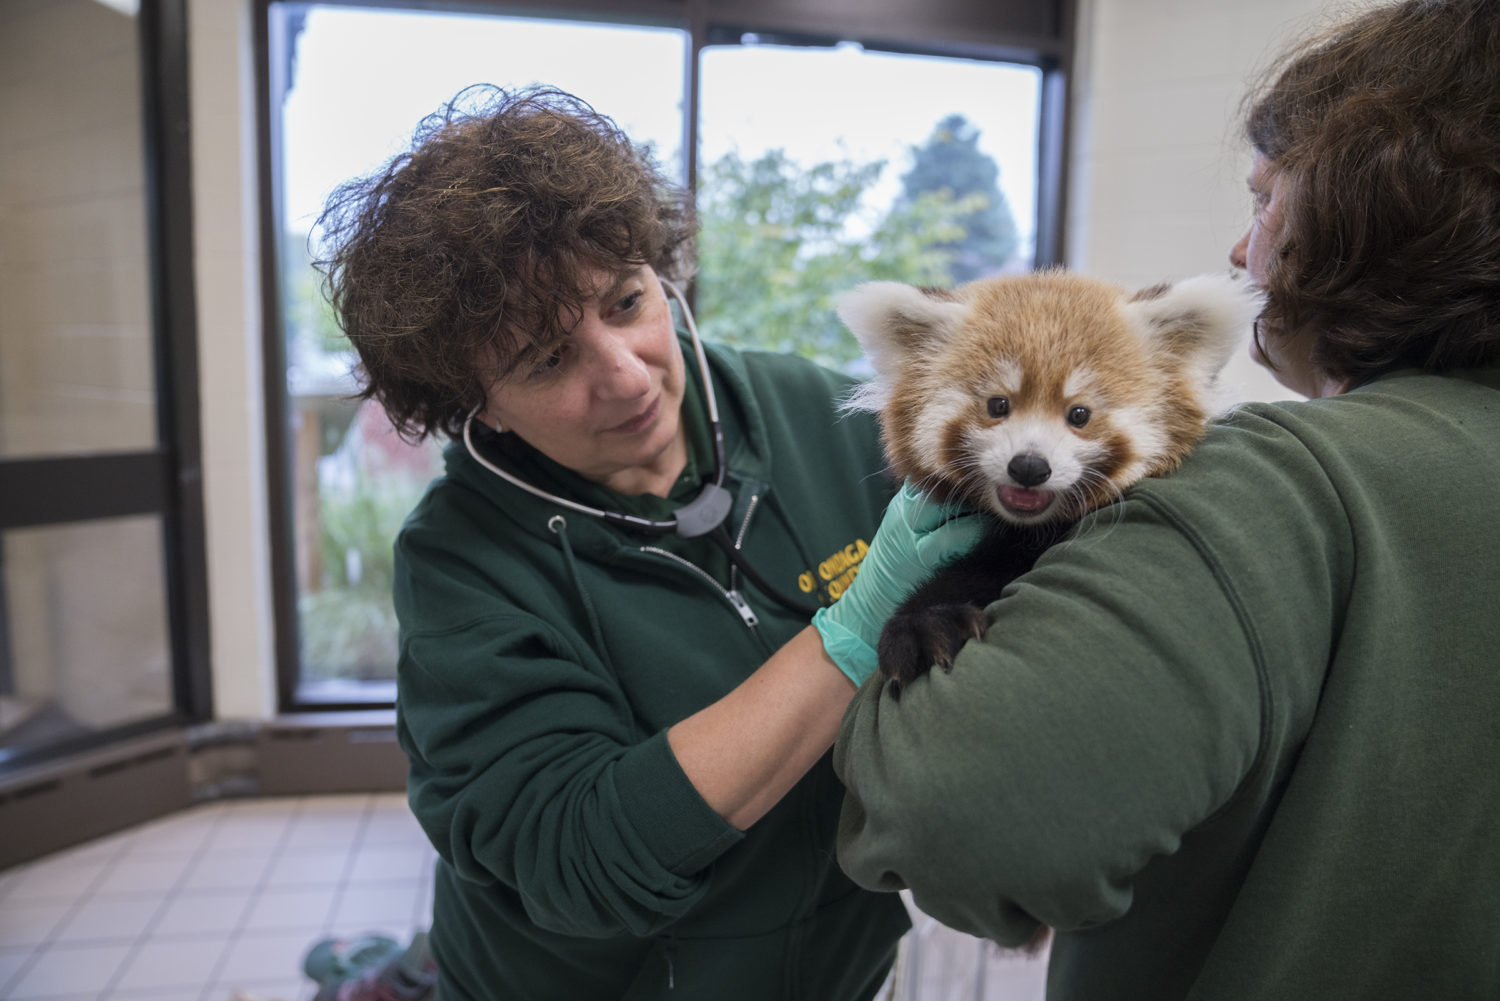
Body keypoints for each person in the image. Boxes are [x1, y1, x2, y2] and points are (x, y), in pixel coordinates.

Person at [831, 1, 1500, 999]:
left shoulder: (1279, 488)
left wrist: (863, 689)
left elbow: (961, 814)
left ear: (1376, 205)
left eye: (1266, 199)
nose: (1241, 250)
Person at [315, 84, 981, 1001]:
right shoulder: (461, 563)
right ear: (477, 403)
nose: (625, 375)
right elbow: (579, 854)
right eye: (548, 359)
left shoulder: (817, 414)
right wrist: (854, 632)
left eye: (627, 302)